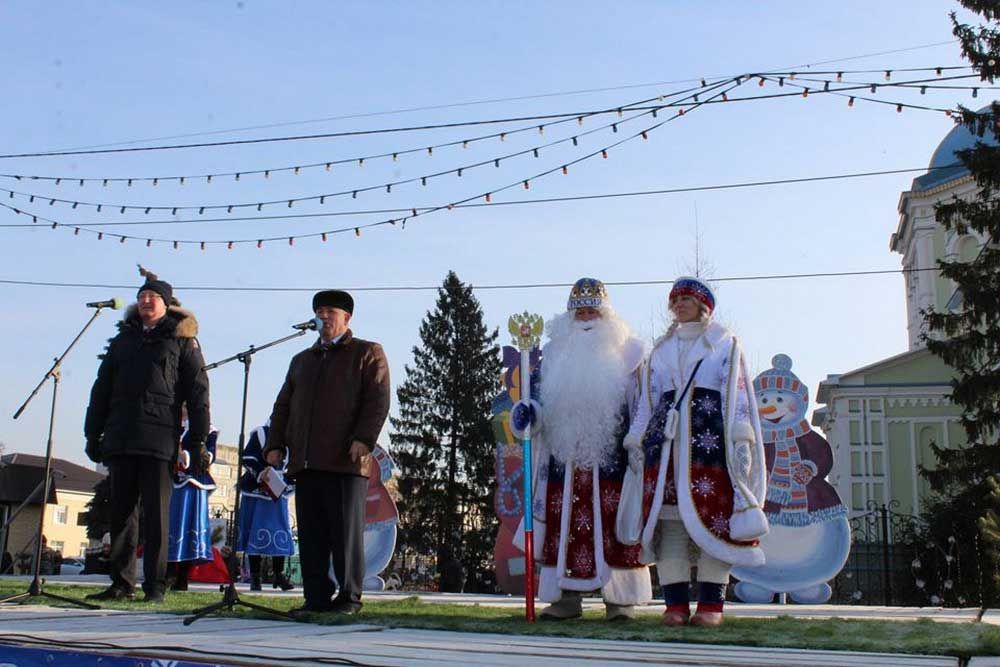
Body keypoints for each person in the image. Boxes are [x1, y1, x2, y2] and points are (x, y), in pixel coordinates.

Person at [621, 276, 768, 627]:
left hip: (710, 446)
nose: (678, 304)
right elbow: (647, 400)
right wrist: (636, 437)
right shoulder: (659, 351)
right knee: (671, 525)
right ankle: (674, 606)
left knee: (713, 523)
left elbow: (739, 394)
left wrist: (740, 438)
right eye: (674, 300)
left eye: (685, 298)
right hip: (666, 449)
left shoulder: (725, 344)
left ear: (704, 304)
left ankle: (711, 607)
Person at [510, 278, 652, 621]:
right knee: (563, 527)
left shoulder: (630, 354)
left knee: (615, 527)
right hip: (565, 460)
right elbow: (545, 405)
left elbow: (642, 404)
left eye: (593, 311)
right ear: (569, 318)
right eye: (580, 313)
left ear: (606, 316)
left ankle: (620, 601)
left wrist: (638, 441)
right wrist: (530, 414)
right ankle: (566, 598)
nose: (586, 318)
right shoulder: (556, 354)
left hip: (613, 458)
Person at [84, 267, 211, 603]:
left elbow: (198, 392)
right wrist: (92, 432)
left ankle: (155, 584)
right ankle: (121, 582)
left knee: (156, 515)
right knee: (122, 513)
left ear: (167, 304)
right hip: (121, 435)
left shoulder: (181, 341)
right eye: (141, 297)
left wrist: (197, 440)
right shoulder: (123, 340)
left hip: (159, 439)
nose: (145, 301)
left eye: (152, 297)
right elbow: (102, 388)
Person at [263, 289, 390, 614]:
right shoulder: (302, 361)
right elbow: (283, 405)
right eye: (319, 311)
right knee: (313, 535)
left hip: (346, 461)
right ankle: (316, 597)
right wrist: (275, 444)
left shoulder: (366, 353)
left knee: (346, 536)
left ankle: (349, 597)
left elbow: (377, 400)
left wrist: (364, 438)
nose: (323, 317)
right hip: (307, 460)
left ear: (346, 318)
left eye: (329, 312)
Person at [238, 420, 295, 592]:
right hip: (257, 488)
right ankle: (255, 577)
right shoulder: (261, 433)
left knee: (280, 531)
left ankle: (278, 574)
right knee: (255, 531)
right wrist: (262, 472)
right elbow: (248, 457)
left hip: (279, 489)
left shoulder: (293, 434)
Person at [165, 412, 219, 592]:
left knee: (189, 527)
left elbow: (209, 456)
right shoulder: (172, 426)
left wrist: (186, 456)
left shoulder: (207, 431)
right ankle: (169, 571)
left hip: (193, 483)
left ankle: (182, 576)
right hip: (172, 481)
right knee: (172, 526)